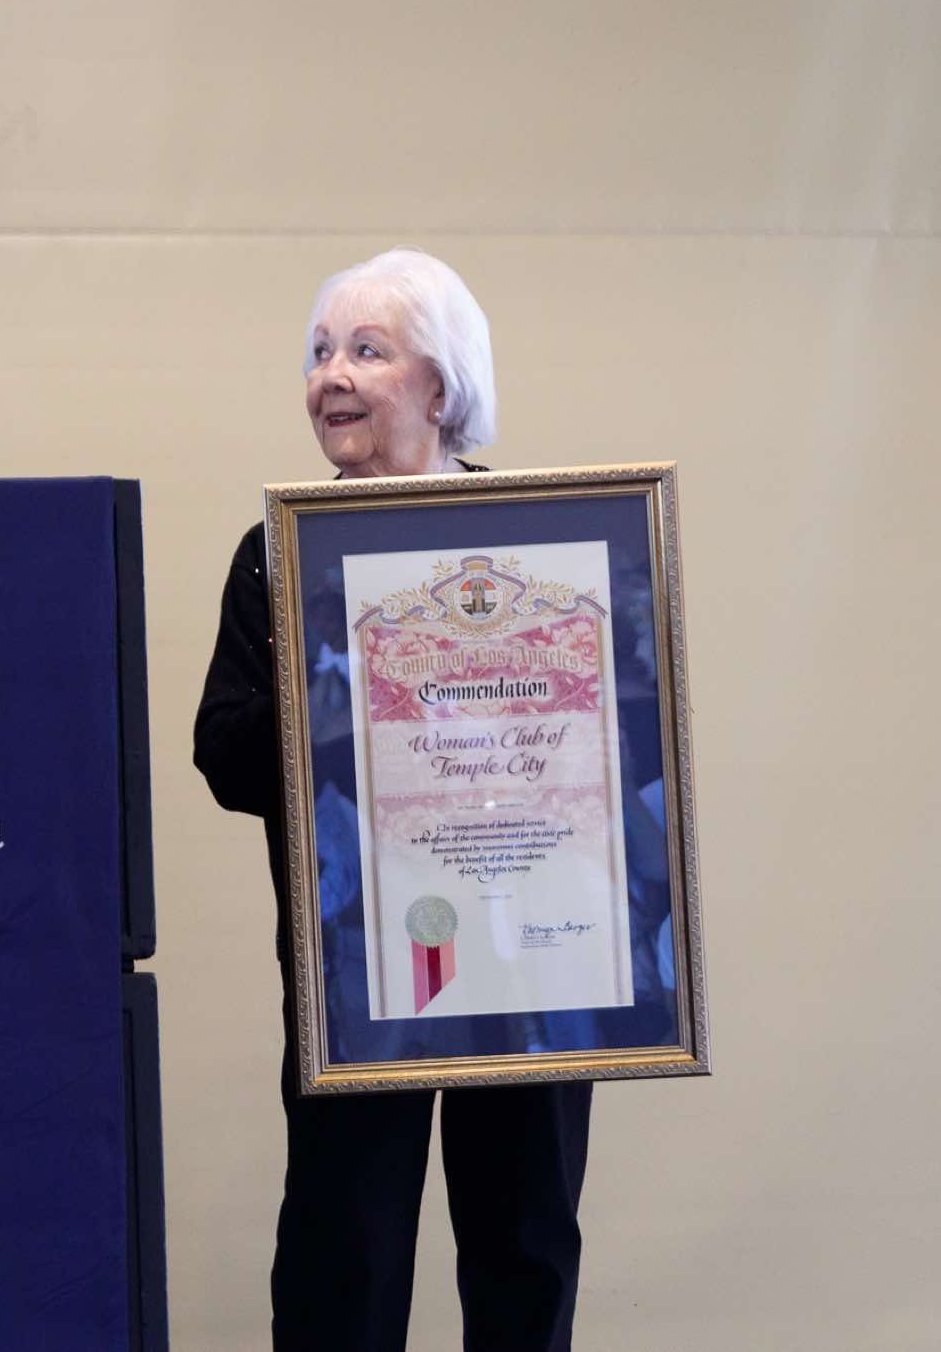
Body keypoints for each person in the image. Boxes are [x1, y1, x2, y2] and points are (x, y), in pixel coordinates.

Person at [193, 249, 592, 1351]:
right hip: (359, 967)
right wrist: (346, 698)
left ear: (441, 385)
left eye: (366, 351)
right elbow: (222, 752)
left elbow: (604, 744)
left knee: (524, 1247)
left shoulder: (541, 546)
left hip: (528, 957)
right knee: (343, 1257)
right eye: (319, 351)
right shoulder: (275, 556)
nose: (331, 374)